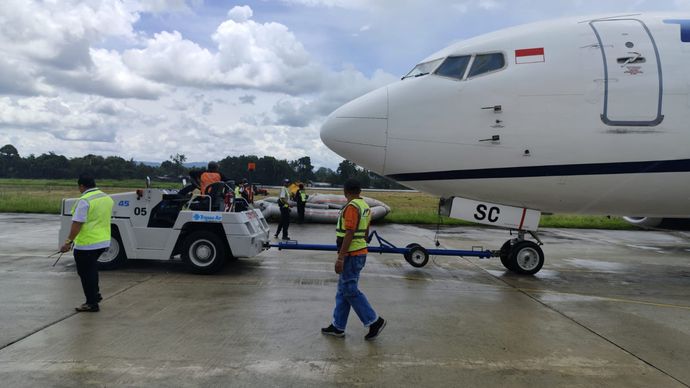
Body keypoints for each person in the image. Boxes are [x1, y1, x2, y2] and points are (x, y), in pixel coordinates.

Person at [321, 179, 385, 340]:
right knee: (343, 291)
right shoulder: (364, 206)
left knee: (349, 289)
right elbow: (365, 230)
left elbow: (349, 232)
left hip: (351, 254)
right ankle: (338, 326)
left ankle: (374, 321)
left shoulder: (351, 207)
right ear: (359, 191)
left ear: (345, 191)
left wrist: (341, 258)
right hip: (359, 251)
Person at [59, 173, 114, 313]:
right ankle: (95, 295)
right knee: (92, 270)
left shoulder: (85, 200)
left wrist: (68, 242)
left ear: (82, 186)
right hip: (103, 242)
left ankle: (91, 303)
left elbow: (77, 223)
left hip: (87, 244)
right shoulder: (106, 198)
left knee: (85, 273)